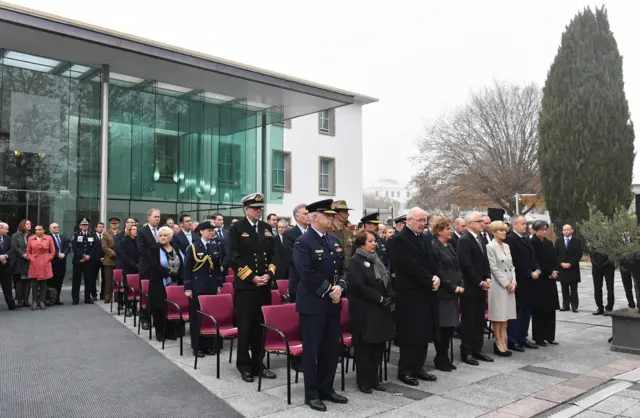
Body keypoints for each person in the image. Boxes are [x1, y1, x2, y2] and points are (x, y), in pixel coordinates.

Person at [293, 199, 348, 411]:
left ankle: (327, 388)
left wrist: (341, 286)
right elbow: (306, 273)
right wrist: (329, 290)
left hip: (333, 303)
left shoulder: (333, 240)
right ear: (315, 217)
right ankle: (312, 393)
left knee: (331, 349)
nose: (332, 218)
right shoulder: (303, 242)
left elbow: (344, 268)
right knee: (312, 350)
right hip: (313, 304)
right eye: (328, 215)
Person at [228, 193, 278, 383]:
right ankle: (244, 365)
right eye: (255, 208)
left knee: (261, 327)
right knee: (246, 327)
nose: (259, 210)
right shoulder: (237, 228)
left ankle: (259, 363)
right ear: (246, 209)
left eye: (260, 208)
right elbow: (234, 257)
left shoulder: (266, 228)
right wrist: (252, 277)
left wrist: (269, 274)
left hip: (263, 286)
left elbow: (274, 254)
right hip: (246, 287)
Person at [391, 207, 441, 385]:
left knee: (423, 332)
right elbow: (409, 266)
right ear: (408, 220)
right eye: (420, 220)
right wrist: (429, 279)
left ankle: (418, 368)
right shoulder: (399, 239)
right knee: (410, 333)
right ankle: (405, 370)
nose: (423, 224)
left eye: (424, 221)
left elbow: (432, 260)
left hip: (426, 292)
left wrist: (435, 277)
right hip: (410, 295)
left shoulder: (424, 238)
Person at [347, 230, 394, 393]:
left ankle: (375, 378)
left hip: (380, 311)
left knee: (378, 346)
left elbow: (385, 279)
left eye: (375, 241)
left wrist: (389, 296)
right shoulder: (356, 261)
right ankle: (364, 381)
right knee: (365, 348)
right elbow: (359, 286)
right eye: (370, 241)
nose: (374, 244)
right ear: (361, 244)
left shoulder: (376, 260)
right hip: (365, 311)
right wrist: (380, 298)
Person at [183, 221, 225, 357]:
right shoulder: (194, 247)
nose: (211, 232)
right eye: (208, 230)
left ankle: (209, 345)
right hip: (197, 287)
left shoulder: (215, 246)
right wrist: (188, 287)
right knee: (197, 318)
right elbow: (187, 269)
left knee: (210, 317)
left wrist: (219, 285)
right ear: (201, 231)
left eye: (213, 230)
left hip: (211, 286)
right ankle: (197, 347)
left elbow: (218, 268)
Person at [457, 212, 493, 366]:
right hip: (470, 286)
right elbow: (466, 265)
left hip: (481, 285)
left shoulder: (481, 238)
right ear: (470, 223)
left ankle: (478, 349)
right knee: (469, 320)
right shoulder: (465, 240)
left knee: (479, 320)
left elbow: (484, 262)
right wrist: (479, 282)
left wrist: (487, 278)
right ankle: (467, 352)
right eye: (479, 221)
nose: (482, 224)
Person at [431, 217, 464, 371]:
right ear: (439, 231)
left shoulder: (449, 246)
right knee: (443, 327)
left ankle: (444, 356)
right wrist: (452, 287)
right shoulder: (434, 246)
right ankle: (440, 357)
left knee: (450, 326)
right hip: (444, 293)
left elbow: (457, 267)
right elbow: (439, 271)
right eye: (447, 229)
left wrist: (461, 284)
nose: (450, 231)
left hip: (454, 292)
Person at [505, 215, 540, 352]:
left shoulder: (525, 238)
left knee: (527, 310)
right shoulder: (510, 239)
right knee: (518, 311)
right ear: (514, 225)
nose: (525, 226)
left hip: (530, 280)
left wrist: (537, 269)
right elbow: (515, 261)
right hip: (519, 279)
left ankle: (522, 337)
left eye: (526, 224)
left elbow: (532, 257)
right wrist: (528, 272)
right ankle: (512, 339)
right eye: (522, 224)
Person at [486, 221, 517, 357]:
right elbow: (493, 268)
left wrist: (514, 281)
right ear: (493, 232)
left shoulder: (507, 246)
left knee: (505, 316)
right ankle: (498, 342)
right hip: (498, 285)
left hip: (510, 283)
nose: (504, 233)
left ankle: (504, 341)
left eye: (504, 230)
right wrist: (506, 283)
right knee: (498, 316)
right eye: (500, 230)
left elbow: (511, 266)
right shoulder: (490, 246)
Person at [148, 226, 183, 341]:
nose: (162, 238)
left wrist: (178, 274)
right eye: (160, 236)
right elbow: (155, 265)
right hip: (159, 283)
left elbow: (182, 262)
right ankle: (160, 333)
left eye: (165, 236)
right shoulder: (154, 249)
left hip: (174, 283)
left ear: (170, 237)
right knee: (160, 309)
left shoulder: (176, 248)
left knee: (171, 307)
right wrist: (169, 273)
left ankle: (171, 332)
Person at [530, 220, 560, 346]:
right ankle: (539, 337)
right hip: (540, 280)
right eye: (541, 229)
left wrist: (555, 270)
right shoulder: (533, 243)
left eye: (545, 229)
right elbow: (536, 261)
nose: (544, 231)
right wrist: (548, 271)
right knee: (540, 310)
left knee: (550, 309)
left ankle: (550, 335)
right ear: (535, 230)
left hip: (550, 280)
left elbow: (554, 258)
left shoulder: (548, 243)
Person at [283, 203, 308, 303]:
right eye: (305, 214)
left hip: (314, 284)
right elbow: (292, 258)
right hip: (298, 281)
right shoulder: (289, 234)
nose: (308, 216)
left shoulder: (313, 232)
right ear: (297, 217)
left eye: (309, 213)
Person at [71, 218, 100, 305]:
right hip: (78, 260)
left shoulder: (92, 235)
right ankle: (75, 299)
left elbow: (95, 247)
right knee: (76, 280)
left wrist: (89, 256)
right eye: (83, 225)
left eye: (86, 225)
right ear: (80, 226)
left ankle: (87, 297)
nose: (85, 226)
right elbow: (74, 247)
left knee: (89, 280)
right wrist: (82, 256)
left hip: (89, 261)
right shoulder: (76, 235)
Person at [26, 225, 55, 310]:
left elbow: (53, 252)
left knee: (43, 283)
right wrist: (31, 259)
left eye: (39, 230)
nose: (37, 231)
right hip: (34, 262)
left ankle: (42, 301)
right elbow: (28, 251)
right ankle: (34, 301)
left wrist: (48, 259)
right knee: (34, 283)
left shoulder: (49, 238)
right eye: (36, 230)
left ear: (44, 230)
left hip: (44, 262)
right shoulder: (31, 238)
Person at [555, 224, 582, 312]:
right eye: (564, 230)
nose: (566, 231)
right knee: (564, 288)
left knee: (573, 288)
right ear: (562, 231)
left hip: (573, 268)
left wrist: (570, 264)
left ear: (572, 230)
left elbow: (579, 254)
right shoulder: (558, 241)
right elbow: (556, 254)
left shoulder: (577, 241)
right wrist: (561, 263)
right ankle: (565, 305)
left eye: (568, 229)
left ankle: (574, 305)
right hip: (562, 268)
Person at [11, 219, 32, 307]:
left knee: (28, 281)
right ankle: (19, 300)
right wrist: (23, 254)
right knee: (19, 281)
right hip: (19, 261)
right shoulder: (16, 235)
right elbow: (15, 247)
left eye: (30, 224)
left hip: (30, 261)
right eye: (27, 224)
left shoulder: (33, 235)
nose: (29, 225)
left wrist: (30, 255)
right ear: (22, 225)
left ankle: (26, 301)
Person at [48, 223, 69, 305]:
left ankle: (57, 298)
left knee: (60, 281)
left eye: (57, 227)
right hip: (53, 262)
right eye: (54, 227)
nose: (56, 228)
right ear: (50, 229)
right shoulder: (48, 238)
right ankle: (51, 299)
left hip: (62, 262)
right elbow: (48, 249)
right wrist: (57, 254)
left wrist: (64, 254)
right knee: (52, 282)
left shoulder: (62, 237)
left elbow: (67, 247)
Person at [138, 208, 161, 282]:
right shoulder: (142, 231)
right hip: (147, 267)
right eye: (155, 217)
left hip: (160, 267)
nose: (157, 219)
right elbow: (141, 250)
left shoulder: (162, 230)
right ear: (149, 217)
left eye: (158, 217)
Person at [101, 217, 120, 304]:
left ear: (118, 224)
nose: (114, 225)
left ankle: (117, 297)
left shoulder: (121, 233)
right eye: (112, 223)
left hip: (119, 260)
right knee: (108, 280)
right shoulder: (106, 234)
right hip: (109, 260)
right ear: (110, 225)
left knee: (118, 279)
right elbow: (104, 247)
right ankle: (107, 297)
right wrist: (113, 253)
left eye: (115, 223)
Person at [331, 200, 355, 268]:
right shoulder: (327, 231)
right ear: (335, 214)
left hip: (348, 270)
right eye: (345, 212)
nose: (348, 214)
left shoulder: (349, 232)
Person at [0, 222, 15, 310]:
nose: (8, 231)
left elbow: (11, 249)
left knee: (7, 286)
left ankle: (11, 305)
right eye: (6, 229)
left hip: (5, 265)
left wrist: (5, 256)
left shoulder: (7, 238)